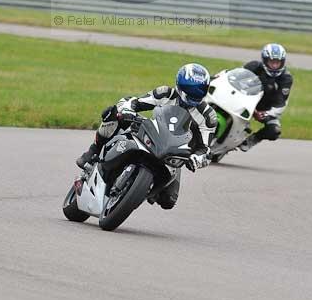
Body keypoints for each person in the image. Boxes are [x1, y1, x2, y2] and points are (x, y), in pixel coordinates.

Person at [76, 63, 218, 209]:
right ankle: (94, 149)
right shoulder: (165, 93)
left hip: (174, 155)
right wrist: (128, 110)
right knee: (113, 113)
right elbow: (136, 103)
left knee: (168, 201)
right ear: (180, 85)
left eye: (199, 92)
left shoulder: (208, 116)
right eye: (190, 91)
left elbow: (205, 149)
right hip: (153, 134)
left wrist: (197, 158)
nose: (194, 96)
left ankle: (136, 191)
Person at [238, 43, 293, 152]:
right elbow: (235, 75)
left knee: (274, 131)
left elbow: (281, 102)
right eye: (272, 62)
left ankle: (253, 139)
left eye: (277, 63)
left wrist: (266, 114)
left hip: (266, 109)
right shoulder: (253, 66)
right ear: (265, 60)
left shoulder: (286, 78)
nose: (274, 66)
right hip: (246, 100)